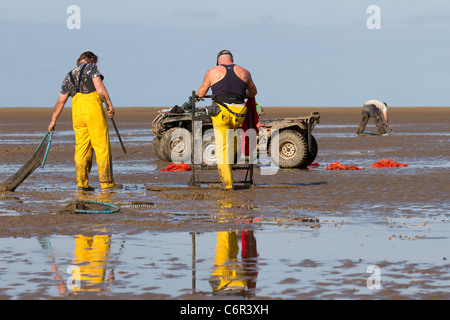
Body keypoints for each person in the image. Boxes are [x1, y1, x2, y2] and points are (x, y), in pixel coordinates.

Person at [48, 51, 122, 191]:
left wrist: (53, 120)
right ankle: (106, 183)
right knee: (101, 145)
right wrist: (110, 105)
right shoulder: (92, 67)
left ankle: (82, 184)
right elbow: (99, 88)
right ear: (91, 59)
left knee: (82, 148)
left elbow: (61, 101)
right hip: (92, 109)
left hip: (77, 113)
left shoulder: (68, 76)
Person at [196, 50, 257, 190]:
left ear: (218, 60)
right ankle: (232, 163)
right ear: (232, 59)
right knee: (233, 141)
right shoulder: (245, 72)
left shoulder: (212, 71)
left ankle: (228, 184)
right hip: (239, 114)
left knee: (222, 148)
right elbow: (253, 92)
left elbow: (200, 93)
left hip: (221, 113)